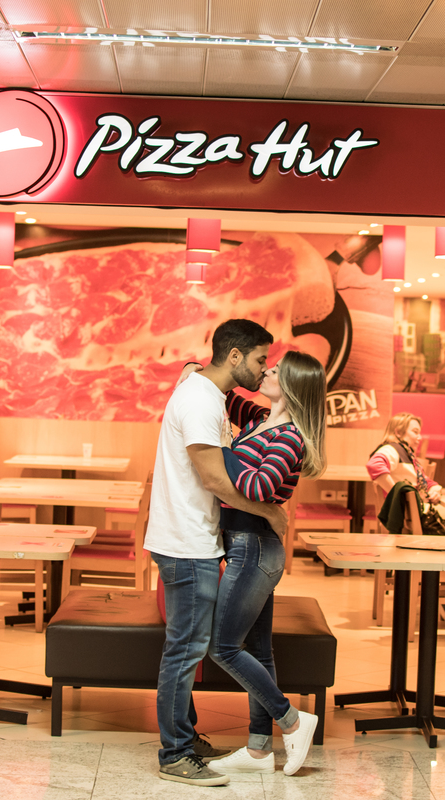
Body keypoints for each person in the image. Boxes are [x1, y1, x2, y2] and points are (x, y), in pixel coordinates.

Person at [144, 319, 288, 787]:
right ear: (235, 356)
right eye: (260, 359)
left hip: (193, 538)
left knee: (188, 648)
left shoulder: (208, 395)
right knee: (186, 650)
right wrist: (269, 513)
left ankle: (184, 740)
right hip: (186, 542)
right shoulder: (201, 400)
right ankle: (175, 754)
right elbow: (213, 479)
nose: (264, 369)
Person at [189, 350, 327, 778]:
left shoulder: (289, 437)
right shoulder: (260, 419)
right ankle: (258, 749)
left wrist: (219, 452)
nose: (266, 370)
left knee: (223, 646)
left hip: (255, 548)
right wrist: (195, 369)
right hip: (246, 545)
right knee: (259, 651)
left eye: (276, 370)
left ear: (292, 385)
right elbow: (223, 390)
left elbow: (257, 487)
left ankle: (292, 720)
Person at [365, 412, 442, 502]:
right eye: (415, 432)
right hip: (402, 509)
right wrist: (396, 494)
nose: (420, 437)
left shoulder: (407, 453)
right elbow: (374, 465)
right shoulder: (392, 449)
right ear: (398, 432)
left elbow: (423, 480)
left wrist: (434, 490)